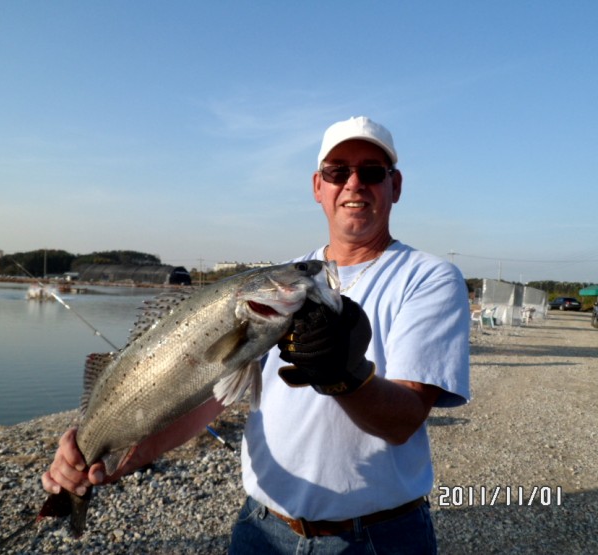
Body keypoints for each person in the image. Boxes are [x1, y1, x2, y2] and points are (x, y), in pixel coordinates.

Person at [42, 116, 471, 554]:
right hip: (261, 528)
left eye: (372, 172)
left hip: (378, 537)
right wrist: (110, 459)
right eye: (337, 171)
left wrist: (344, 375)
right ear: (318, 186)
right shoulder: (280, 283)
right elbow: (208, 399)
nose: (354, 183)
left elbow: (404, 421)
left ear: (395, 185)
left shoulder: (429, 277)